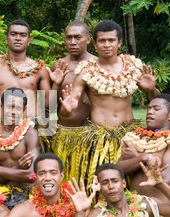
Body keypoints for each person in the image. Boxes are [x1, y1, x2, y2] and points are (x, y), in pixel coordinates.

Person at [59, 19, 159, 189]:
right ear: (95, 44)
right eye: (102, 41)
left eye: (111, 40)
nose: (106, 45)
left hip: (129, 134)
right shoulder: (86, 71)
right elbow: (67, 110)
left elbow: (157, 101)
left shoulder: (134, 67)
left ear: (119, 42)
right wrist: (67, 110)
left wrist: (151, 90)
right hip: (99, 137)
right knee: (101, 182)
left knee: (132, 183)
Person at [0, 19, 68, 152]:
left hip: (31, 128)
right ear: (6, 39)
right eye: (13, 34)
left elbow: (48, 104)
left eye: (23, 35)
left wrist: (56, 84)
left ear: (29, 40)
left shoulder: (39, 69)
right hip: (1, 128)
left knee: (31, 170)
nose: (18, 38)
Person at [50, 21, 96, 182]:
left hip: (91, 133)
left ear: (88, 39)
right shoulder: (59, 65)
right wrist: (56, 82)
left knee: (88, 178)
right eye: (69, 38)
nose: (73, 42)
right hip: (64, 132)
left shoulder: (98, 64)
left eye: (77, 37)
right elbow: (49, 105)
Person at [0, 87, 40, 193]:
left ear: (24, 110)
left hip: (25, 192)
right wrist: (18, 168)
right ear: (1, 107)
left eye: (18, 108)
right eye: (9, 107)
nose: (13, 112)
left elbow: (32, 175)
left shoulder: (30, 134)